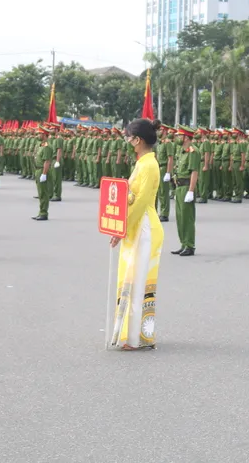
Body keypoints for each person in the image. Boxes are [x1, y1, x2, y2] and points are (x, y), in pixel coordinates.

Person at [107, 118, 163, 351]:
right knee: (130, 278)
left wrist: (122, 229)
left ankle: (135, 338)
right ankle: (129, 335)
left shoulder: (148, 165)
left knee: (137, 282)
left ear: (138, 140)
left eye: (129, 137)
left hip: (143, 226)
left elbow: (140, 203)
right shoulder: (143, 163)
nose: (128, 141)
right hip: (136, 226)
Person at [170, 125, 200, 256]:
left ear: (186, 137)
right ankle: (183, 243)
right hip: (179, 187)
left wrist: (191, 191)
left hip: (187, 187)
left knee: (187, 218)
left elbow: (194, 172)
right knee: (180, 217)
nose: (176, 137)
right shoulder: (181, 151)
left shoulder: (193, 151)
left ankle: (190, 245)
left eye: (179, 135)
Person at [32, 124, 55, 221]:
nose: (37, 135)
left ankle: (43, 213)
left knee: (43, 193)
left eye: (39, 134)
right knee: (40, 192)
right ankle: (41, 212)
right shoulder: (41, 145)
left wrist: (44, 174)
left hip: (42, 170)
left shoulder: (47, 147)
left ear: (44, 135)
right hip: (38, 169)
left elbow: (47, 161)